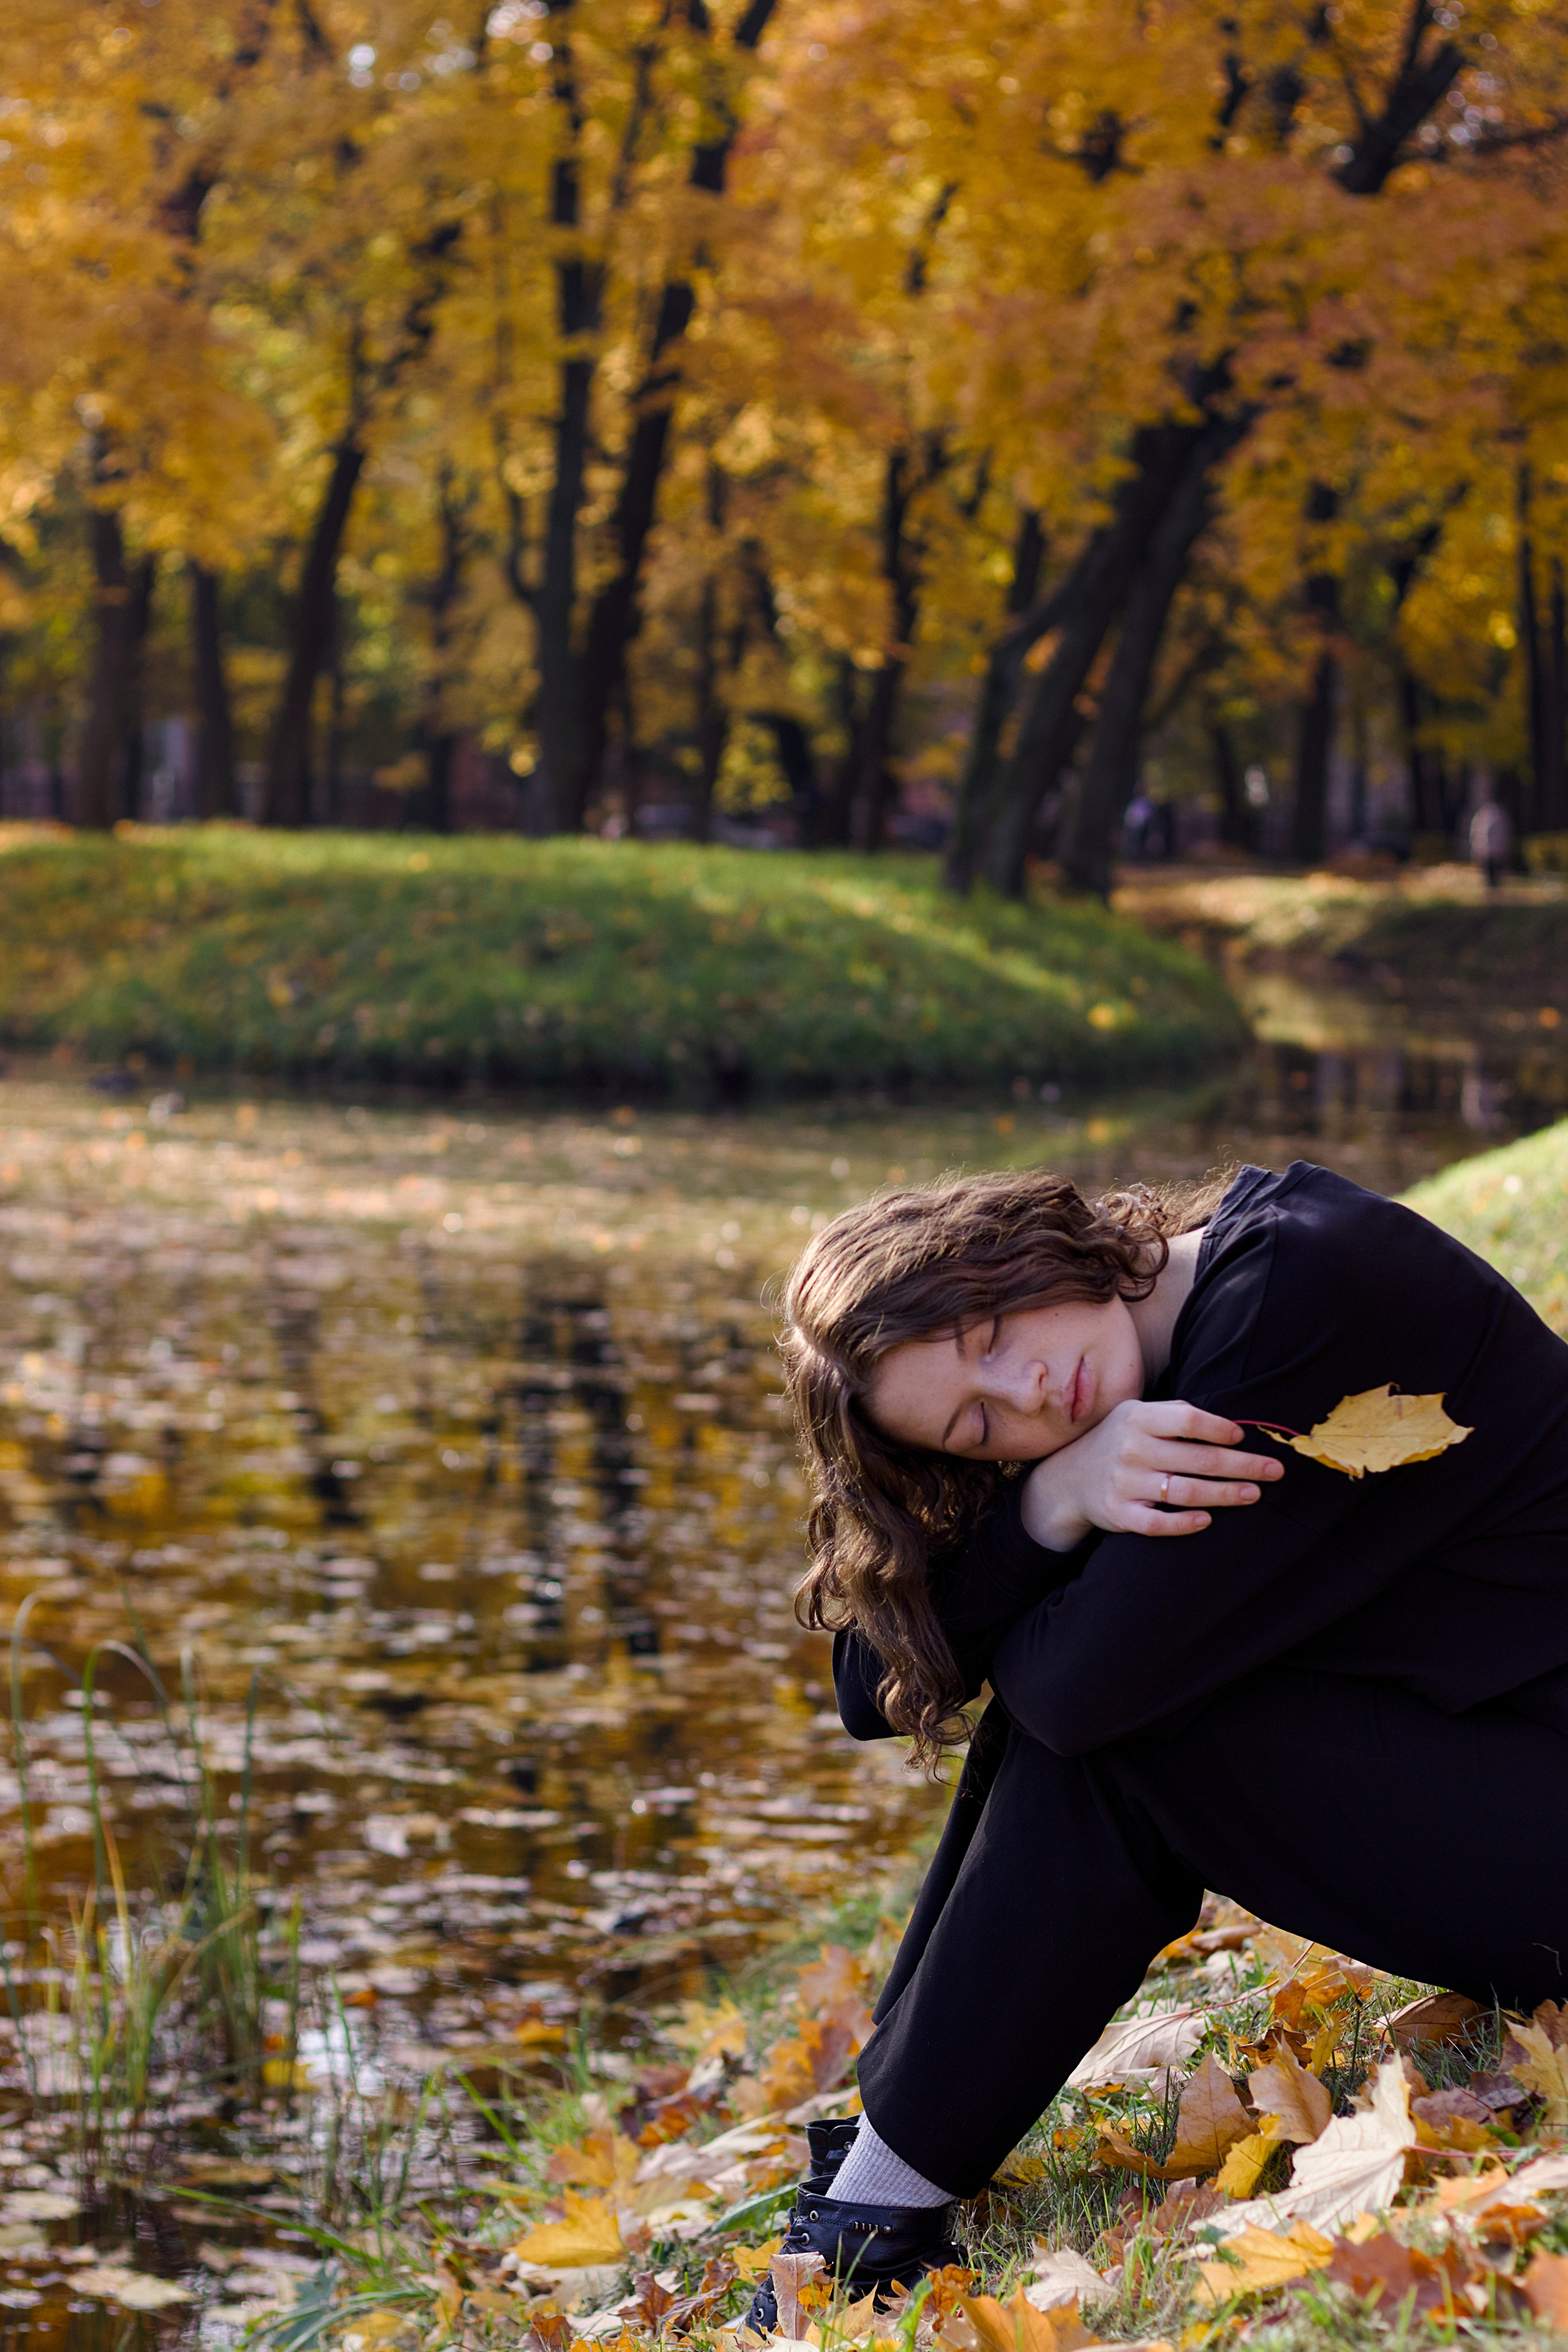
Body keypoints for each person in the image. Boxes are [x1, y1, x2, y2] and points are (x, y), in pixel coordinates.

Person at [745, 1161, 1568, 2328]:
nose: (1030, 1393)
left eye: (991, 1329)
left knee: (1130, 1729)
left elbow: (1081, 1698)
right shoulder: (1099, 1400)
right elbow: (869, 1681)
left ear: (1014, 1241)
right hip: (1515, 1768)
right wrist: (1049, 1504)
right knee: (1105, 1690)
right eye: (977, 1428)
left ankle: (876, 2201)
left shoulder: (1303, 1296)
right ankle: (882, 2174)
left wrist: (1038, 1540)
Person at [1469, 790, 1512, 889]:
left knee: (1493, 879)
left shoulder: (1486, 814)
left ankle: (1493, 897)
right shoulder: (1496, 814)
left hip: (1491, 852)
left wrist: (1478, 849)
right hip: (1492, 852)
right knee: (1491, 879)